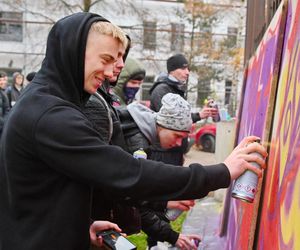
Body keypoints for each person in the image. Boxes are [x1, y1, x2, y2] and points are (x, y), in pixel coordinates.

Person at [0, 12, 267, 250]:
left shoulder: (42, 103)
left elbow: (38, 193)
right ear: (73, 51)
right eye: (106, 59)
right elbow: (129, 173)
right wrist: (221, 172)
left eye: (116, 61)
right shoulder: (51, 114)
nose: (110, 73)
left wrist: (81, 227)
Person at [117, 93, 199, 248]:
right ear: (164, 125)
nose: (178, 143)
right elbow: (134, 201)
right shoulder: (137, 145)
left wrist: (165, 202)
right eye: (177, 136)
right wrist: (173, 237)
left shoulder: (141, 135)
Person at [149, 54, 219, 165]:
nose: (187, 72)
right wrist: (199, 115)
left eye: (188, 68)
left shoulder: (176, 88)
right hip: (163, 153)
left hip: (173, 152)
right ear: (172, 71)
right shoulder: (161, 89)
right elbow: (174, 121)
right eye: (183, 68)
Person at [0, 71, 10, 136]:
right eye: (3, 80)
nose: (5, 82)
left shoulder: (3, 93)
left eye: (6, 80)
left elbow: (6, 110)